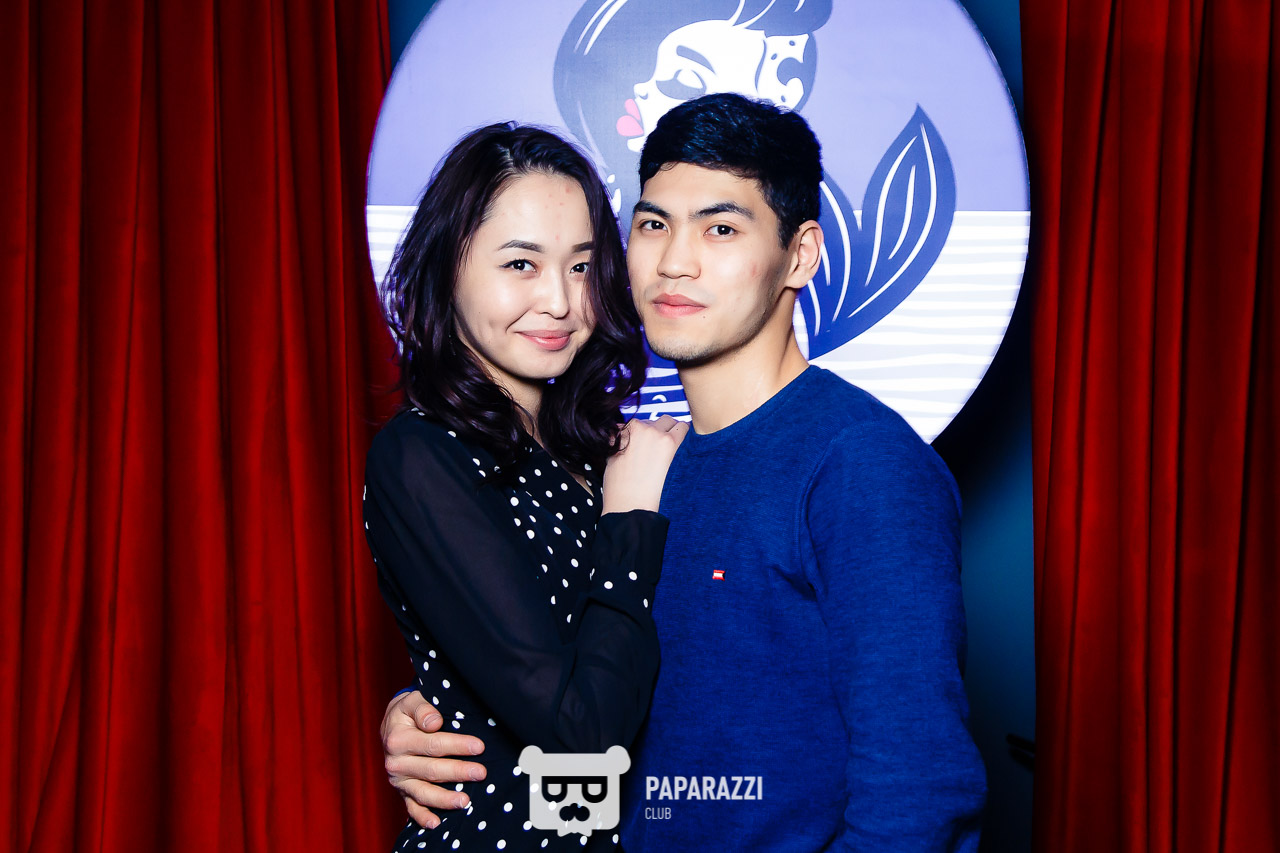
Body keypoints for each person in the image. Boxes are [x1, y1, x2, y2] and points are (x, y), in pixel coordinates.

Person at [381, 95, 987, 851]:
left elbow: (918, 793)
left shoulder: (862, 463)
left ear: (800, 255)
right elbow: (589, 676)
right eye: (653, 224)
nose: (675, 261)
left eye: (721, 228)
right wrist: (434, 703)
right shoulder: (637, 465)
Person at [364, 122, 687, 851]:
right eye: (521, 264)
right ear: (448, 266)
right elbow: (582, 735)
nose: (561, 301)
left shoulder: (601, 449)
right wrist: (630, 520)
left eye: (582, 266)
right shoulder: (423, 455)